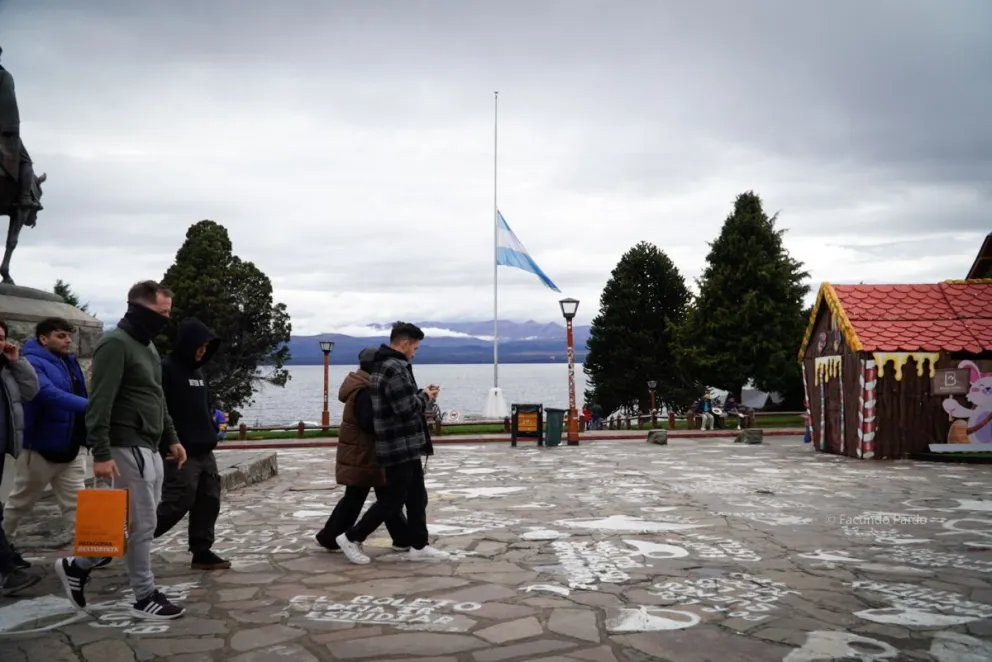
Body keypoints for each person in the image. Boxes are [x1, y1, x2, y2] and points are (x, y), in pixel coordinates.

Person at [55, 280, 189, 620]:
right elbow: (99, 402)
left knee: (133, 522)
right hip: (124, 445)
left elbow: (156, 396)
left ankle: (77, 566)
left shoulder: (147, 347)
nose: (165, 320)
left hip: (148, 446)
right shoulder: (115, 344)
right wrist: (101, 453)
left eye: (168, 313)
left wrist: (170, 438)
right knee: (143, 524)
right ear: (140, 308)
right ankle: (144, 595)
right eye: (161, 313)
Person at [335, 322, 449, 564]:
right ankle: (351, 537)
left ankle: (419, 545)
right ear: (405, 343)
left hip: (406, 443)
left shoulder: (390, 366)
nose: (415, 352)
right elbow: (406, 408)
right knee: (393, 500)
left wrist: (419, 394)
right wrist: (425, 397)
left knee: (418, 496)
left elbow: (399, 400)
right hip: (398, 444)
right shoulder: (393, 368)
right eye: (415, 348)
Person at [315, 348, 411, 553]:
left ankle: (401, 537)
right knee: (381, 497)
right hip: (365, 453)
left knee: (373, 496)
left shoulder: (361, 387)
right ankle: (332, 537)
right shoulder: (364, 392)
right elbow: (368, 423)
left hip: (363, 452)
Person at [153, 317, 230, 571]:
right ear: (187, 343)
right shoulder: (165, 369)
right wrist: (168, 442)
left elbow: (201, 407)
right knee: (177, 502)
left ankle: (202, 550)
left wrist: (213, 423)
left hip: (205, 448)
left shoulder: (199, 371)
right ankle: (131, 538)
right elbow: (158, 409)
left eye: (206, 347)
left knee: (210, 500)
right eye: (199, 346)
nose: (202, 351)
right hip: (179, 450)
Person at [3, 318, 88, 541]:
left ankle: (86, 556)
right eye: (61, 336)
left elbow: (80, 392)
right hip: (39, 448)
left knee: (78, 506)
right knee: (20, 504)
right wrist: (91, 407)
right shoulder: (31, 361)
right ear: (43, 339)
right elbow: (46, 393)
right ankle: (3, 550)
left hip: (70, 447)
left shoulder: (68, 360)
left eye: (69, 335)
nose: (68, 340)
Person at [0, 319, 41, 595]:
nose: (0, 342)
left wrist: (17, 362)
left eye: (2, 336)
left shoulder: (6, 369)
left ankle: (7, 563)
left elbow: (31, 392)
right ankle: (7, 568)